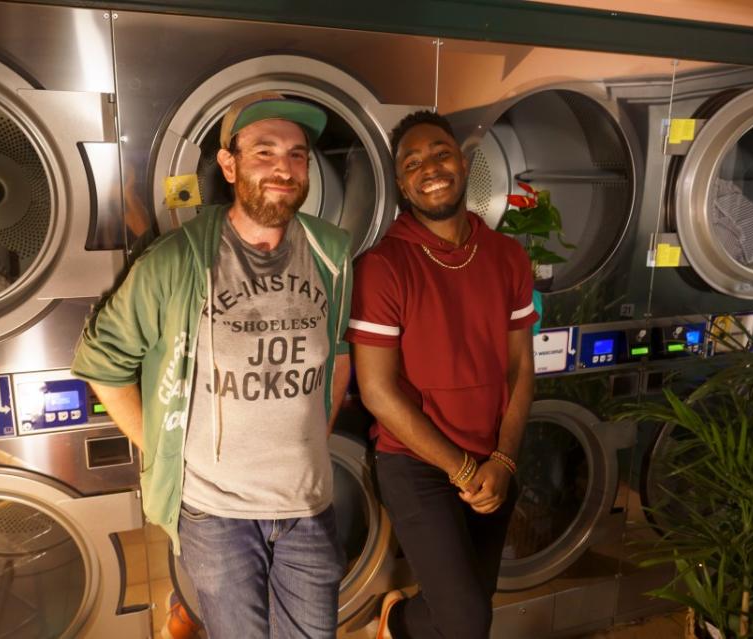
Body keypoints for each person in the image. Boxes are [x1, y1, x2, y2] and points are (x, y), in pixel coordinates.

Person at [71, 91, 353, 638]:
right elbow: (100, 363)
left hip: (309, 505)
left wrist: (317, 435)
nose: (284, 167)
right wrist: (169, 450)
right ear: (229, 164)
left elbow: (338, 348)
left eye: (297, 155)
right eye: (264, 151)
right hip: (215, 514)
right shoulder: (176, 261)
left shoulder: (331, 252)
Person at [345, 110, 537, 639]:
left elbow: (521, 367)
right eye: (413, 162)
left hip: (494, 458)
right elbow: (378, 393)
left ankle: (397, 623)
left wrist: (503, 458)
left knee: (473, 605)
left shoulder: (507, 257)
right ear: (403, 184)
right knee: (467, 620)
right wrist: (463, 471)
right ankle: (400, 620)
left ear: (463, 162)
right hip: (416, 464)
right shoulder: (384, 267)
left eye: (440, 153)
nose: (430, 167)